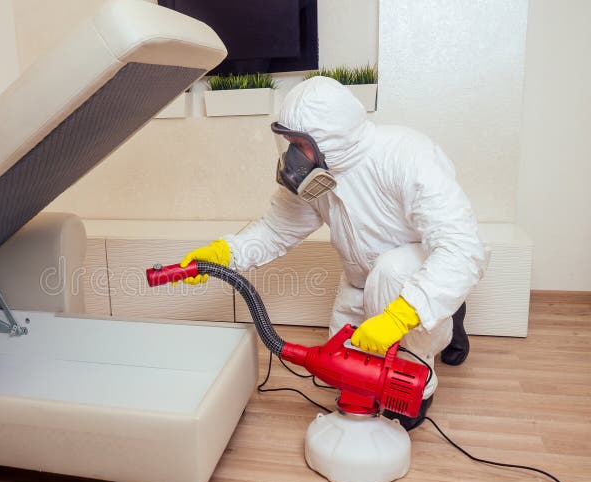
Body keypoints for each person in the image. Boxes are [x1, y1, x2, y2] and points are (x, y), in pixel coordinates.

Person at [179, 76, 488, 429]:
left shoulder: (406, 155)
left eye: (300, 143)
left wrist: (401, 316)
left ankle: (425, 365)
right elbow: (276, 229)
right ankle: (438, 310)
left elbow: (460, 247)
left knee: (391, 276)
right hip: (361, 278)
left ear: (331, 137)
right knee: (344, 375)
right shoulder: (319, 173)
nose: (292, 155)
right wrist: (223, 254)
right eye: (288, 142)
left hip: (409, 271)